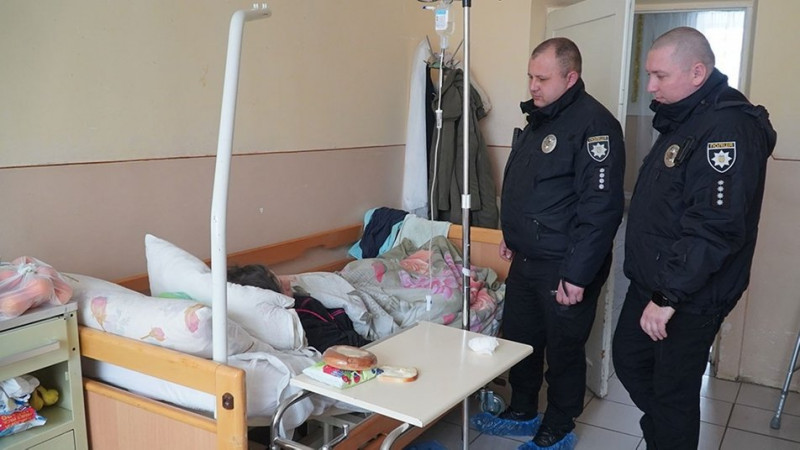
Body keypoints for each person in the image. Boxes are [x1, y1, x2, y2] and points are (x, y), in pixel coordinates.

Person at [612, 27, 776, 450]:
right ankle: (664, 435)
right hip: (657, 280)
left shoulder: (727, 127)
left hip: (688, 294)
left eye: (660, 76)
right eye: (649, 75)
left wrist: (668, 296)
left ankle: (668, 437)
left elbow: (715, 225)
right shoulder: (686, 118)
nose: (650, 87)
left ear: (697, 72)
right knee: (630, 360)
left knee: (673, 393)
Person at [472, 37, 625, 450]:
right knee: (520, 339)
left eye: (542, 78)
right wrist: (511, 235)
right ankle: (523, 408)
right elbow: (531, 188)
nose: (533, 86)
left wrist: (577, 274)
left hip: (566, 262)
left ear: (570, 77)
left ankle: (559, 422)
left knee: (563, 347)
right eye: (530, 77)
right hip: (528, 256)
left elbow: (601, 210)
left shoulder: (595, 126)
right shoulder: (541, 119)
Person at [227, 264, 370, 352]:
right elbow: (346, 346)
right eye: (279, 283)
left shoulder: (300, 300)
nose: (287, 281)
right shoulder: (302, 319)